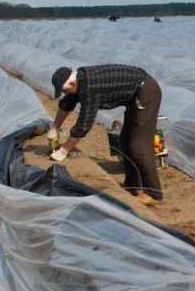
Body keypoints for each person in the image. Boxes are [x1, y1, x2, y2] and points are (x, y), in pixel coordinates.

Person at [48, 64, 164, 206]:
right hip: (134, 96)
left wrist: (63, 151)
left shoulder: (90, 89)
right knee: (125, 141)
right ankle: (133, 184)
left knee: (139, 147)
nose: (66, 94)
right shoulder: (79, 81)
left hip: (146, 92)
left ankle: (154, 194)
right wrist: (54, 128)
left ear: (73, 83)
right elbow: (66, 104)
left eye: (66, 90)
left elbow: (84, 125)